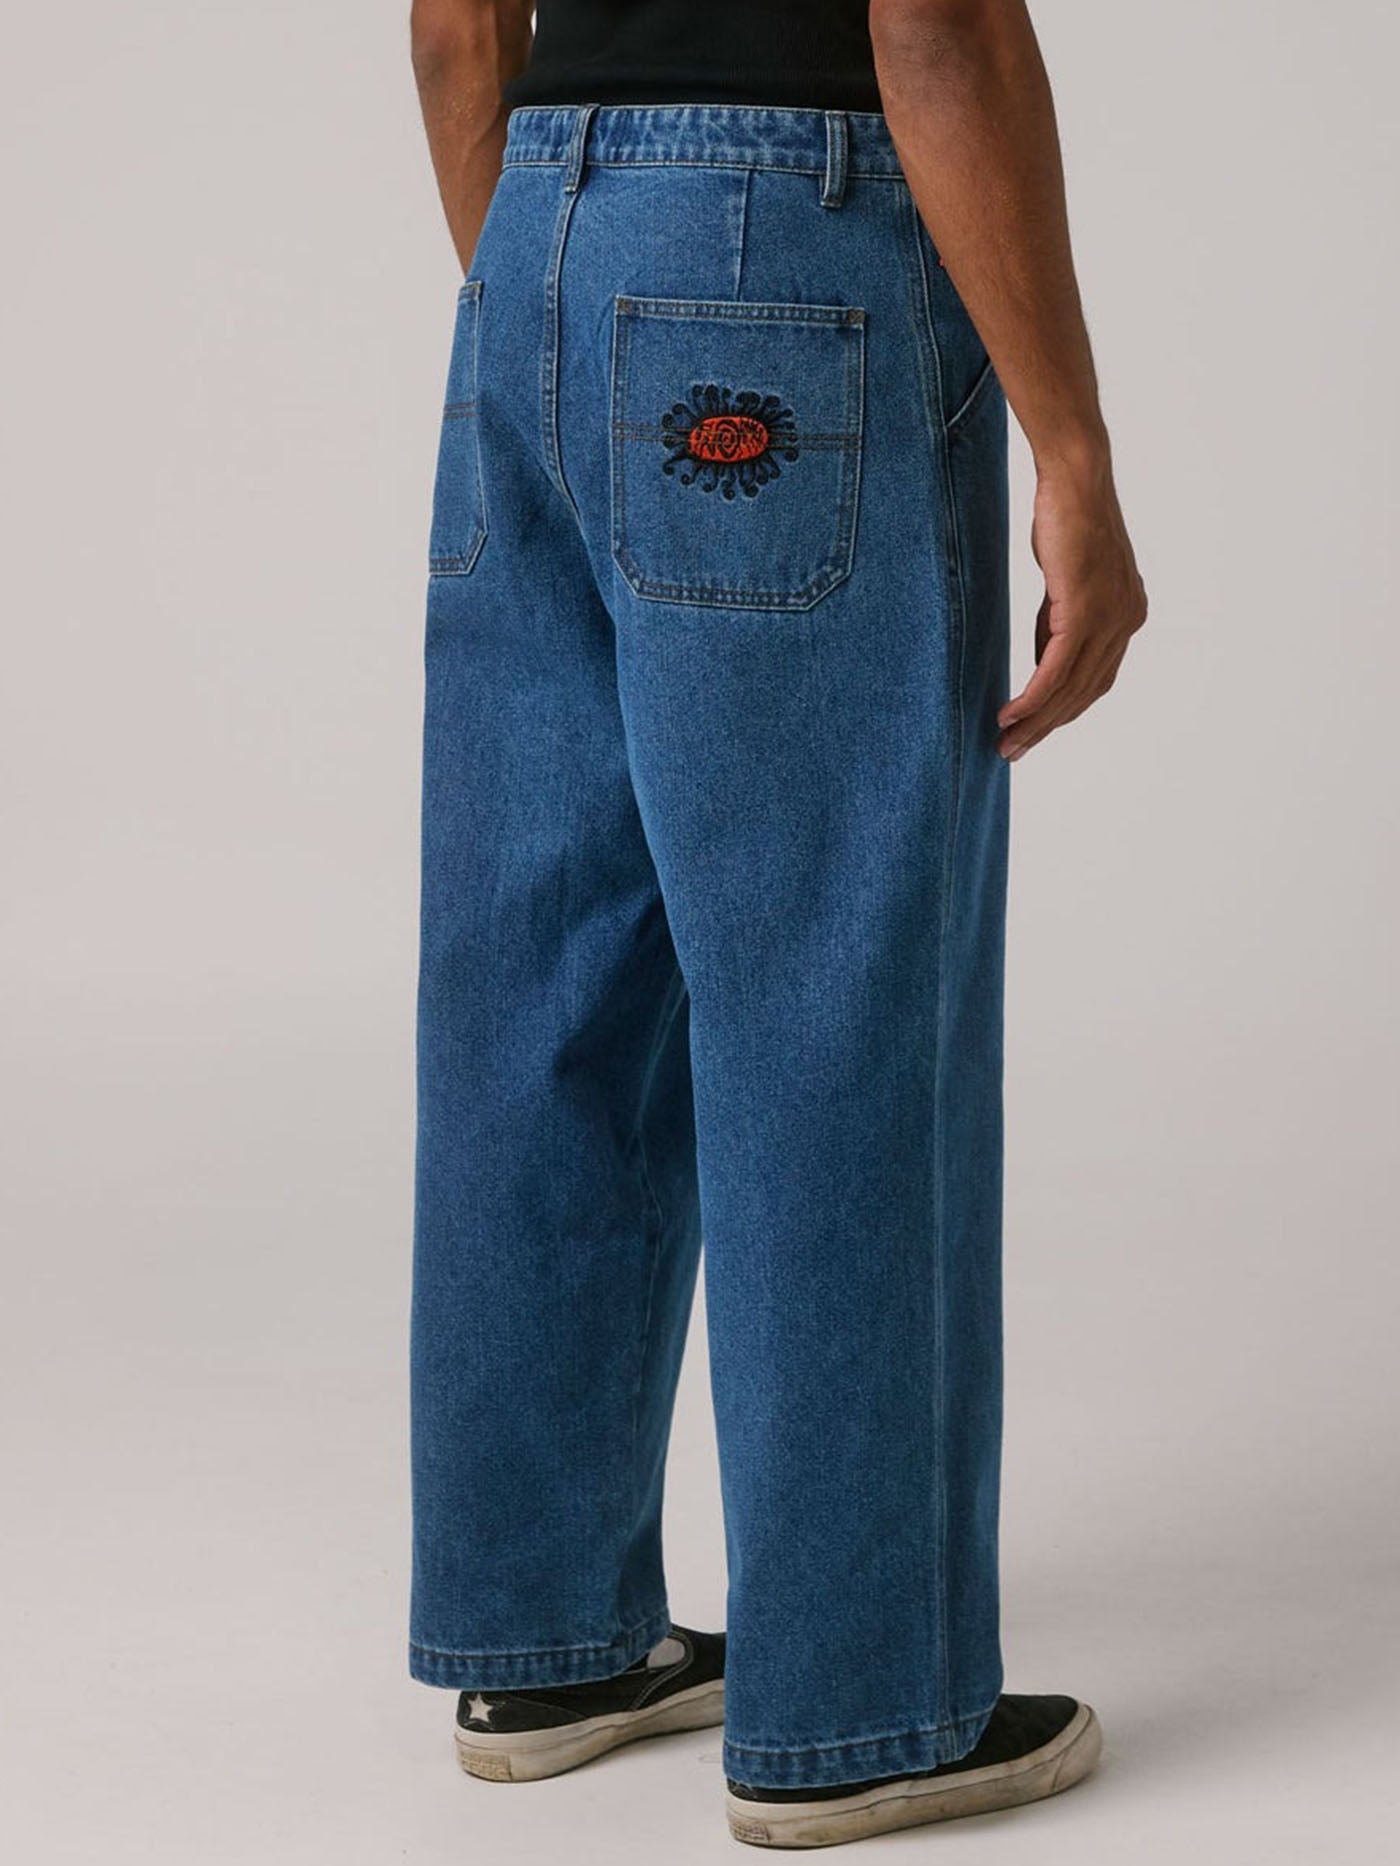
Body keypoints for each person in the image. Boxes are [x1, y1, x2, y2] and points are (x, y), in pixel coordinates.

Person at [407, 0, 1146, 1846]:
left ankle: (548, 1634)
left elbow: (451, 31)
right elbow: (939, 24)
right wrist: (1072, 448)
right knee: (830, 980)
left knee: (542, 978)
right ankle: (867, 1704)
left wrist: (562, 301)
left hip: (529, 244)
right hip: (779, 243)